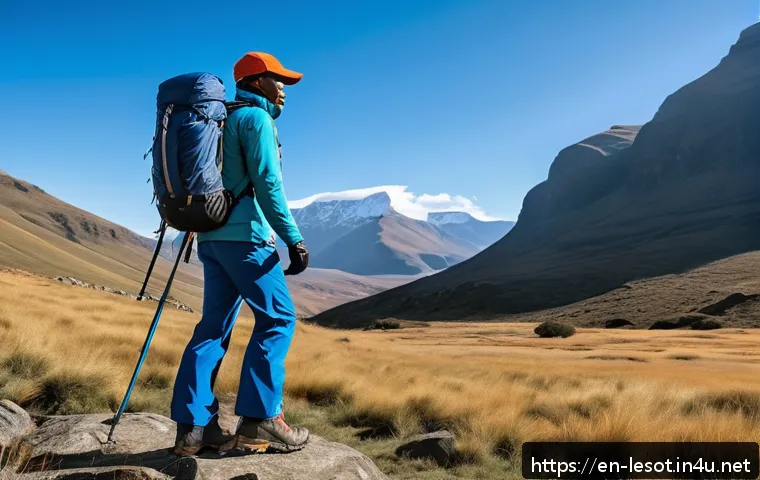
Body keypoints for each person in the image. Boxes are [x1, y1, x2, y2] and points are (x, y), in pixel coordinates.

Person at [170, 52, 311, 456]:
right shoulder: (256, 120)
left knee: (212, 328)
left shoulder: (220, 120)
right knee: (278, 318)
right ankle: (260, 420)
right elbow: (267, 183)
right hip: (247, 239)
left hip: (210, 239)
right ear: (255, 81)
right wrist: (293, 238)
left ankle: (194, 431)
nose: (283, 88)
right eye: (277, 79)